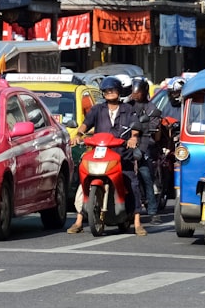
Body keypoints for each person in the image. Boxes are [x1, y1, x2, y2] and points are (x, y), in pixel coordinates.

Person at [66, 76, 146, 236]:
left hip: (122, 155)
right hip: (100, 154)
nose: (109, 93)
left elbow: (135, 126)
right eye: (106, 91)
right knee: (85, 181)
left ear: (119, 91)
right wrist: (78, 135)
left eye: (112, 90)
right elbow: (86, 123)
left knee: (132, 182)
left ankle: (137, 222)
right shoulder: (97, 110)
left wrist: (133, 137)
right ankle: (79, 221)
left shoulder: (128, 109)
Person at [128, 78, 162, 223]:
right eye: (133, 91)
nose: (135, 94)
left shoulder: (152, 108)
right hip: (126, 142)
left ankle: (153, 211)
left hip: (144, 143)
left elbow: (152, 126)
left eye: (138, 92)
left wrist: (140, 129)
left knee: (146, 175)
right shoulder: (127, 106)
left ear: (144, 92)